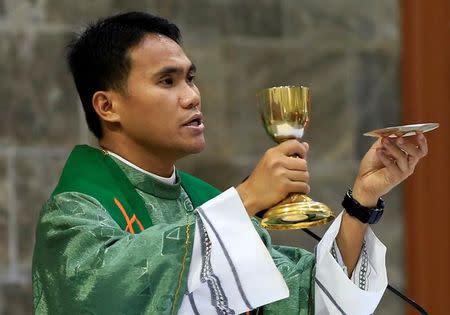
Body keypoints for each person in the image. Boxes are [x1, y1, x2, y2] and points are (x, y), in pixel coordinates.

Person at [32, 11, 428, 315]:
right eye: (167, 81)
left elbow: (309, 302)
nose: (192, 97)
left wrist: (361, 201)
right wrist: (244, 200)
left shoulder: (201, 203)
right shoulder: (74, 213)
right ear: (107, 105)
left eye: (191, 78)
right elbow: (103, 292)